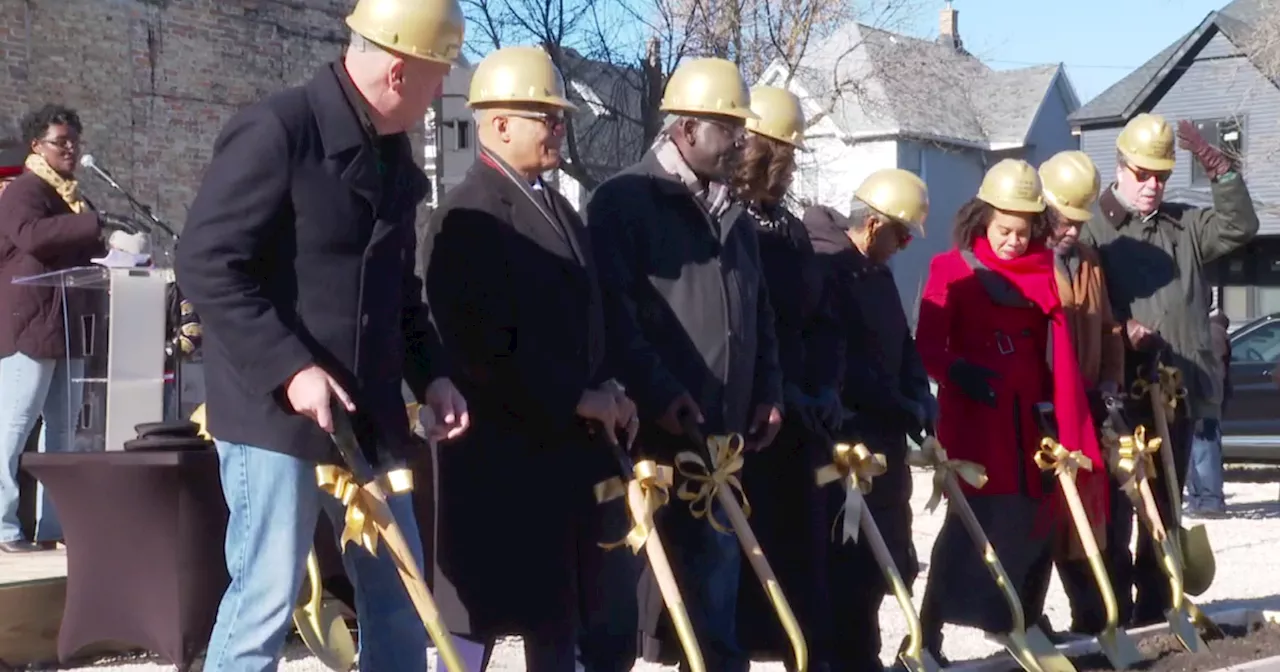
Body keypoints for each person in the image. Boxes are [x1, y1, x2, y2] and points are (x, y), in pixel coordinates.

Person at [173, 0, 469, 668]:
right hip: (274, 415)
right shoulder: (279, 130)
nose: (438, 99)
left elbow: (399, 292)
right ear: (398, 72)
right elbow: (205, 261)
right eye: (436, 79)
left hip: (368, 419)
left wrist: (435, 374)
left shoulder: (392, 154)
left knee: (400, 593)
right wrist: (290, 367)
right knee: (267, 597)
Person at [421, 45, 638, 672]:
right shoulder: (467, 214)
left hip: (560, 466)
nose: (558, 128)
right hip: (500, 461)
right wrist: (576, 396)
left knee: (559, 622)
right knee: (475, 628)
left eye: (560, 117)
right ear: (498, 122)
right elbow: (478, 349)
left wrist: (609, 384)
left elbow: (583, 317)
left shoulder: (559, 206)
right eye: (546, 115)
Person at [586, 57, 783, 672]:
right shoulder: (625, 202)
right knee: (628, 596)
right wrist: (661, 390)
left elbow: (760, 314)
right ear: (686, 128)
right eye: (728, 129)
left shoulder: (736, 217)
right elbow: (616, 317)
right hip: (651, 438)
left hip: (719, 439)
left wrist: (769, 389)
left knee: (717, 592)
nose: (740, 143)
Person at [914, 159, 1108, 662]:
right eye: (1004, 231)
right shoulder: (951, 269)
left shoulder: (1044, 271)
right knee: (968, 528)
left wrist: (1066, 418)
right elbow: (928, 346)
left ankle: (1022, 618)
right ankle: (925, 636)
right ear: (983, 220)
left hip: (1031, 425)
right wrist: (958, 372)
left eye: (1024, 233)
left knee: (1034, 522)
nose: (1013, 243)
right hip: (976, 426)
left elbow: (1057, 352)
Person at [1081, 113, 1258, 626]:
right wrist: (1120, 328)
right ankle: (1107, 612)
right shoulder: (1093, 227)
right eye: (1143, 173)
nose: (1152, 186)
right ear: (1121, 166)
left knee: (1165, 506)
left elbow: (1240, 226)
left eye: (1161, 175)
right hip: (1118, 394)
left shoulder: (1184, 227)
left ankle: (1157, 608)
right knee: (1117, 510)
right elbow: (1076, 300)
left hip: (1174, 394)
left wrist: (1219, 168)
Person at [802, 168, 933, 671]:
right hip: (847, 445)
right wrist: (896, 402)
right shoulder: (829, 269)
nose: (903, 246)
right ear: (874, 225)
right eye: (901, 235)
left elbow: (902, 346)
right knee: (848, 563)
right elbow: (844, 360)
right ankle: (839, 659)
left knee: (890, 560)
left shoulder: (878, 274)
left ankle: (865, 655)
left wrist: (919, 392)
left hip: (887, 446)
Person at [728, 85, 833, 671]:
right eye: (783, 156)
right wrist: (778, 387)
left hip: (801, 420)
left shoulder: (791, 230)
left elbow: (819, 319)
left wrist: (825, 385)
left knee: (803, 556)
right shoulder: (735, 224)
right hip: (757, 417)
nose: (789, 168)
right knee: (753, 559)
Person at [0, 104, 136, 553]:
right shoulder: (24, 190)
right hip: (31, 326)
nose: (72, 149)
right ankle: (4, 528)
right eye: (62, 141)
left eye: (75, 140)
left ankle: (55, 528)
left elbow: (80, 247)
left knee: (64, 433)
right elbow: (32, 236)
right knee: (14, 427)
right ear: (37, 145)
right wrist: (94, 224)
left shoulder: (73, 197)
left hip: (69, 326)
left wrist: (122, 255)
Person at [1021, 149, 1127, 637]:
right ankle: (1027, 618)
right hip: (1037, 415)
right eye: (1064, 221)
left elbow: (1106, 329)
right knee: (1040, 525)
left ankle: (1091, 617)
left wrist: (1109, 380)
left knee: (1086, 519)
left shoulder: (1088, 261)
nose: (1073, 232)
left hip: (1081, 406)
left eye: (1079, 223)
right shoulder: (1024, 260)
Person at [1185, 309, 1230, 517]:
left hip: (1204, 400)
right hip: (1207, 399)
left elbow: (1209, 370)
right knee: (1198, 453)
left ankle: (1209, 500)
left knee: (1203, 453)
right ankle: (1200, 499)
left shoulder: (1209, 333)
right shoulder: (1215, 333)